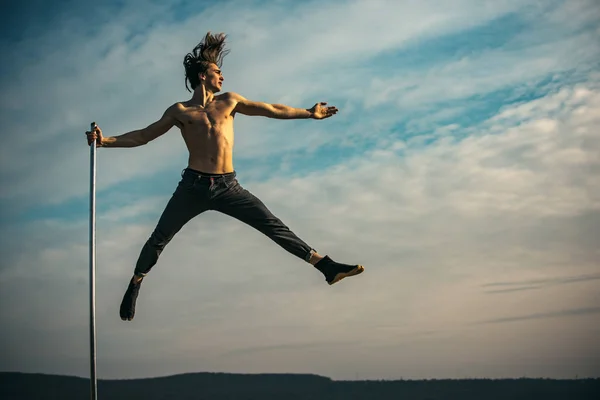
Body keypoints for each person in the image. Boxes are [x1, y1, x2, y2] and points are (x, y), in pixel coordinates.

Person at [86, 32, 364, 322]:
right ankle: (136, 282)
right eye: (217, 72)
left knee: (273, 226)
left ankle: (327, 268)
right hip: (192, 186)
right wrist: (105, 141)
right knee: (159, 238)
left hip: (228, 186)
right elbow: (143, 136)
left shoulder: (230, 101)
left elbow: (271, 109)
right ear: (203, 75)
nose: (222, 76)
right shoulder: (180, 111)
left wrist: (309, 112)